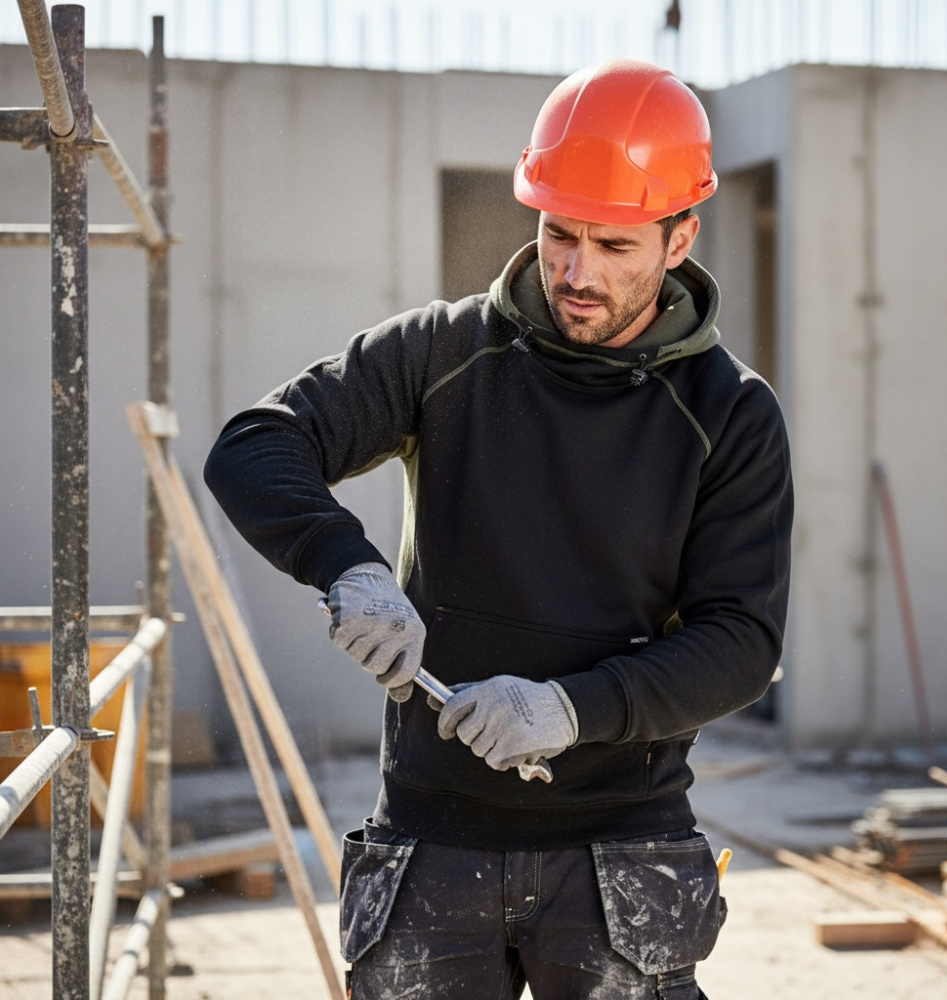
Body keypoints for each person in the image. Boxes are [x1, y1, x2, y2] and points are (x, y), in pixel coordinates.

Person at [204, 59, 793, 1000]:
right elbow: (255, 444)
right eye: (559, 234)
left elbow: (741, 643)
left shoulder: (729, 413)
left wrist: (568, 709)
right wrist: (345, 564)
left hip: (623, 846)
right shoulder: (442, 353)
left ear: (680, 236)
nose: (577, 272)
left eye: (615, 244)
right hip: (435, 836)